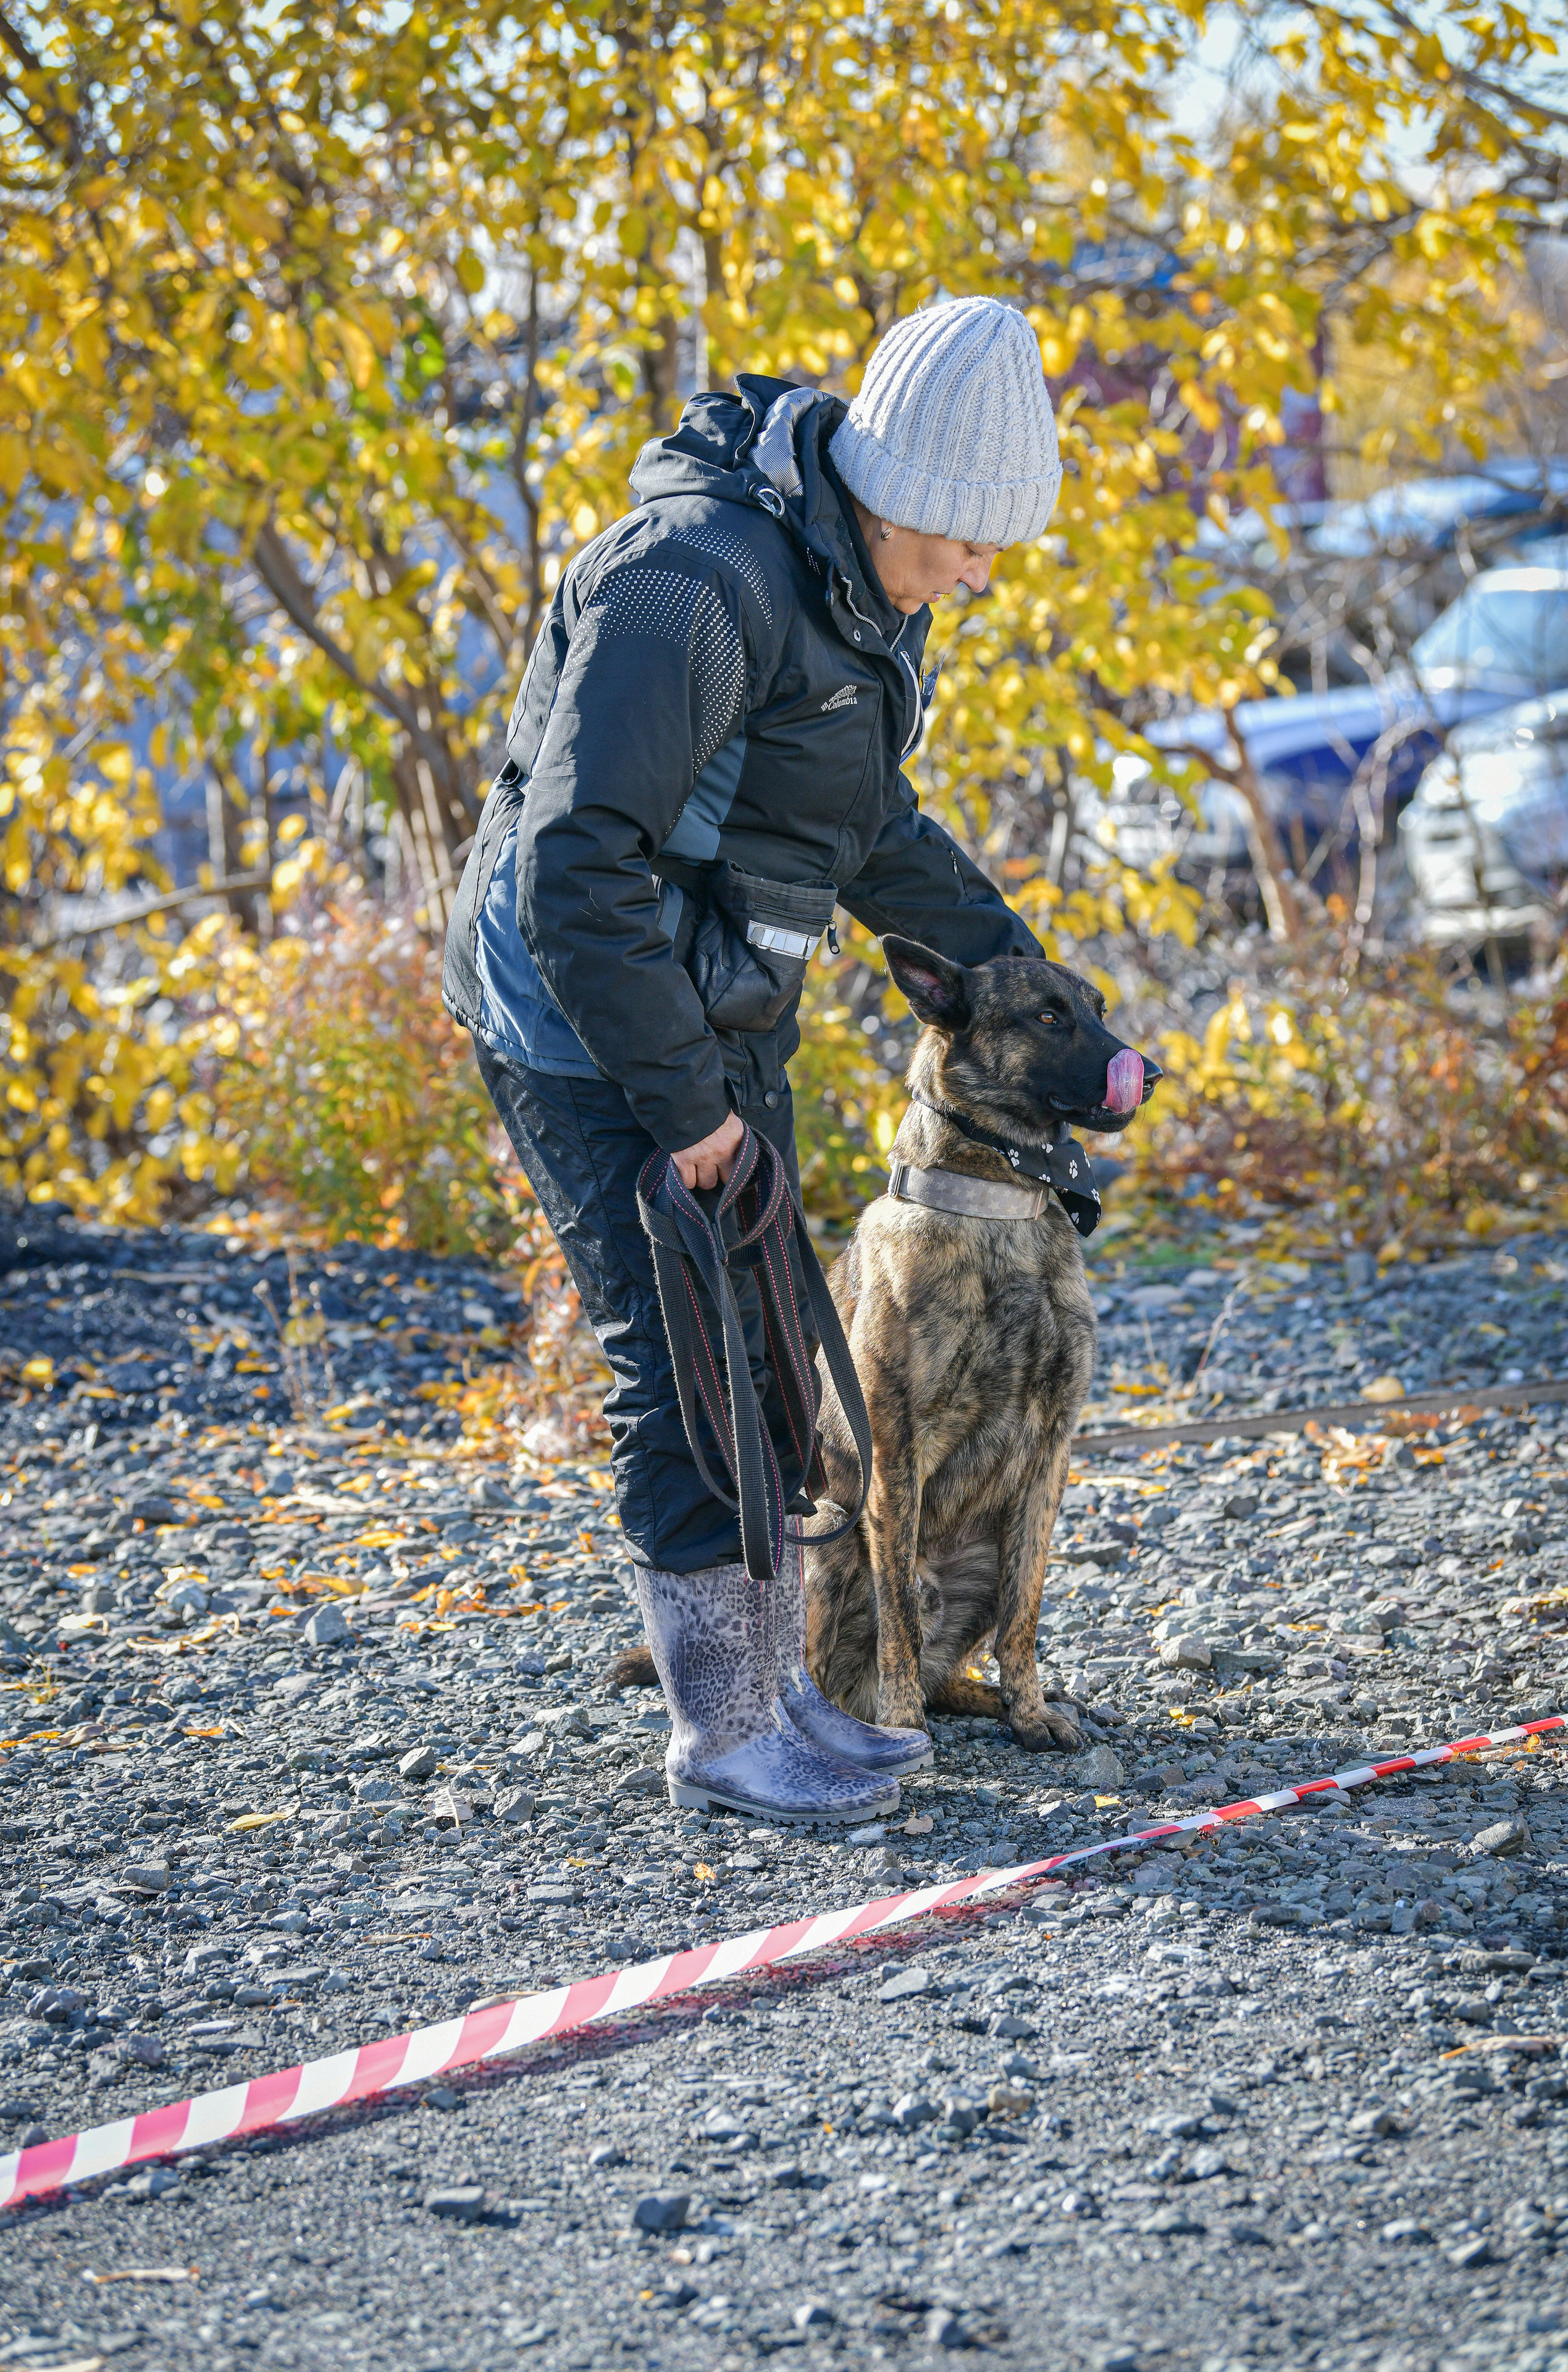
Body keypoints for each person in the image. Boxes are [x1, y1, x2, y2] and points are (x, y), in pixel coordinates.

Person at [443, 295, 1064, 1822]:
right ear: (898, 491)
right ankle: (722, 1737)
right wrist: (685, 1108)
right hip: (584, 1015)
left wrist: (1033, 988)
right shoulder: (691, 589)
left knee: (776, 1333)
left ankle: (781, 1689)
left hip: (709, 997)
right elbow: (574, 871)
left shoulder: (854, 592)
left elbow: (863, 832)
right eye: (972, 541)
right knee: (682, 1362)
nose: (980, 576)